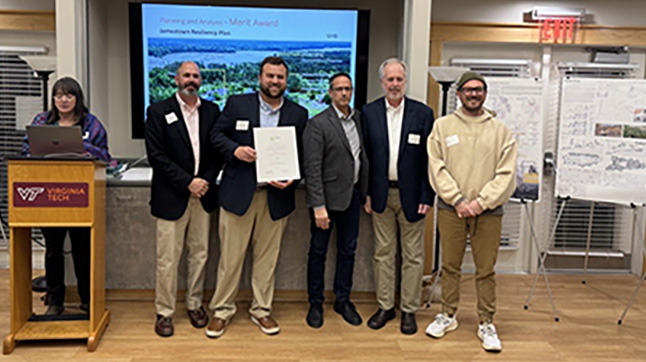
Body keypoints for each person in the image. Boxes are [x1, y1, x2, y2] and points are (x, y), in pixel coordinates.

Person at [206, 56, 308, 338]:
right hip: (239, 194)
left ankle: (261, 310)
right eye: (270, 76)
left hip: (276, 198)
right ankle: (222, 311)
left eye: (280, 77)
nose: (275, 81)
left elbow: (301, 155)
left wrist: (293, 178)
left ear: (286, 81)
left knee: (267, 259)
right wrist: (234, 151)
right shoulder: (238, 103)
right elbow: (215, 135)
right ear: (260, 77)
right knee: (230, 258)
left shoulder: (298, 114)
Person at [425, 71, 517, 352]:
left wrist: (480, 202)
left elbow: (506, 173)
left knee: (485, 269)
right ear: (459, 94)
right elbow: (436, 166)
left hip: (488, 211)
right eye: (468, 90)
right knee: (450, 266)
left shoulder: (500, 130)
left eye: (478, 90)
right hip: (452, 209)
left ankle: (486, 322)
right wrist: (458, 200)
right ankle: (448, 314)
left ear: (485, 94)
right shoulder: (442, 126)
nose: (473, 94)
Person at [21, 76, 113, 315]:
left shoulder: (91, 124)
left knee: (82, 249)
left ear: (77, 98)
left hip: (80, 195)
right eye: (59, 95)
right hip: (48, 195)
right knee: (52, 250)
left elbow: (105, 157)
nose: (63, 100)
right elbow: (26, 150)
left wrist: (81, 147)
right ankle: (55, 301)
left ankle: (86, 299)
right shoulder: (42, 121)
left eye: (68, 95)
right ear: (53, 99)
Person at [145, 61, 223, 337]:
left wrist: (204, 181)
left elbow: (218, 151)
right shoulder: (158, 111)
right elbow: (157, 156)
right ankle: (164, 312)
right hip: (172, 196)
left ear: (201, 80)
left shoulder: (213, 111)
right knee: (168, 259)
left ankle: (194, 304)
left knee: (200, 255)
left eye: (196, 76)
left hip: (203, 195)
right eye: (186, 75)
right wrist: (187, 181)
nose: (191, 79)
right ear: (176, 79)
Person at [362, 58, 435, 335]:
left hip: (413, 197)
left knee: (413, 256)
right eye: (390, 79)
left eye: (399, 79)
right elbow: (365, 158)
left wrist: (428, 196)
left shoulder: (423, 114)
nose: (394, 84)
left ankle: (408, 310)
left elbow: (430, 159)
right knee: (383, 254)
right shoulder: (368, 113)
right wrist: (366, 194)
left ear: (405, 82)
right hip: (380, 196)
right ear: (382, 82)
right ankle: (385, 307)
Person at [303, 72, 368, 328]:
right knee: (318, 252)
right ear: (330, 93)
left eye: (348, 89)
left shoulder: (359, 119)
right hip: (325, 203)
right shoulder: (317, 124)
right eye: (339, 89)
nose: (344, 93)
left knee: (348, 251)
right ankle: (315, 302)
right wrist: (318, 206)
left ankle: (343, 299)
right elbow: (312, 167)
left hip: (352, 197)